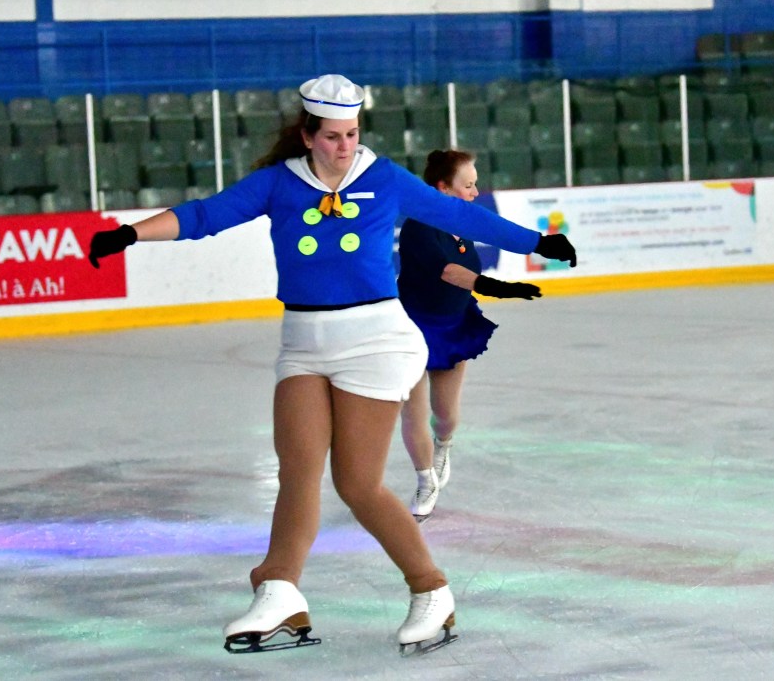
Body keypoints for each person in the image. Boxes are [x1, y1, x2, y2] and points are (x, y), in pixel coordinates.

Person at [86, 74, 577, 655]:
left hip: (376, 340)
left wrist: (536, 242)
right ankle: (279, 591)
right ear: (307, 135)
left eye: (352, 134)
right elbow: (205, 215)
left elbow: (461, 217)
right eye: (332, 136)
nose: (345, 146)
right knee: (297, 470)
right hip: (303, 342)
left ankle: (431, 589)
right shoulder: (279, 183)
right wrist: (129, 234)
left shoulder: (384, 178)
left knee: (357, 484)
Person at [397, 149, 542, 521]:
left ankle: (442, 446)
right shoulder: (419, 226)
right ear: (443, 189)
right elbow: (448, 271)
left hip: (453, 325)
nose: (476, 193)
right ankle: (424, 479)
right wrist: (500, 288)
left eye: (476, 185)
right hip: (412, 328)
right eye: (468, 186)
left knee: (445, 416)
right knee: (413, 412)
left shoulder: (464, 224)